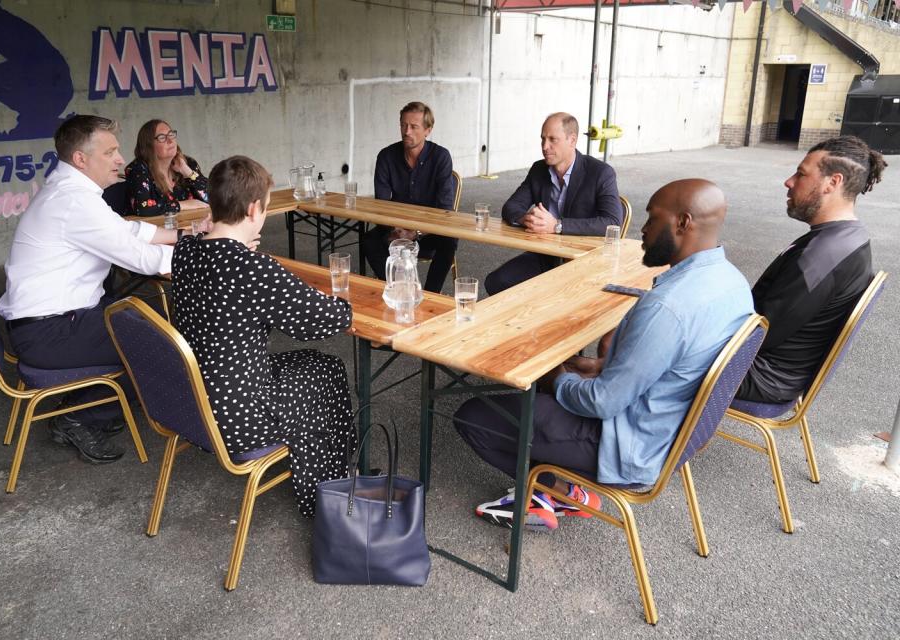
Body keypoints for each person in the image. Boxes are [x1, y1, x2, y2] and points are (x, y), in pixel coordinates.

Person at [454, 179, 753, 530]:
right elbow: (674, 365)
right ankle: (561, 488)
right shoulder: (732, 282)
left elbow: (601, 403)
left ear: (683, 223)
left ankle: (552, 493)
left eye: (652, 219)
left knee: (474, 416)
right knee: (549, 384)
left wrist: (556, 376)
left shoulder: (668, 308)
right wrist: (598, 366)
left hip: (627, 444)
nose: (641, 229)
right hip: (667, 428)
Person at [171, 155, 354, 517]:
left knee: (318, 364)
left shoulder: (186, 252)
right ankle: (329, 493)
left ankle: (329, 478)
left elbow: (211, 253)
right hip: (239, 416)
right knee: (328, 374)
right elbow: (323, 322)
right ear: (254, 208)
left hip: (192, 399)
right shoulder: (253, 268)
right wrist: (343, 301)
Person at [0, 115, 179, 464]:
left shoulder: (73, 193)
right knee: (164, 341)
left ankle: (100, 404)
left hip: (53, 323)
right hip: (50, 332)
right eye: (110, 151)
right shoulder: (73, 201)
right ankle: (79, 417)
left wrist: (184, 236)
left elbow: (126, 231)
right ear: (80, 159)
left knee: (143, 320)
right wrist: (210, 255)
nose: (121, 159)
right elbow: (142, 259)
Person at [735, 136, 887, 404]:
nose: (789, 181)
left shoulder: (822, 257)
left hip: (762, 374)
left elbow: (758, 335)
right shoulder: (849, 236)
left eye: (801, 174)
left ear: (833, 182)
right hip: (776, 368)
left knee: (656, 346)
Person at [484, 112, 623, 295]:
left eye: (552, 139)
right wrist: (529, 219)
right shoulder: (539, 169)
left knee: (556, 296)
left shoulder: (600, 173)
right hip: (546, 256)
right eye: (542, 139)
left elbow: (612, 221)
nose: (544, 146)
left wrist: (557, 226)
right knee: (496, 282)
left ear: (572, 140)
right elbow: (510, 207)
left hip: (584, 261)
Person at [361, 101, 457, 293]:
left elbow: (445, 209)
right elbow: (381, 203)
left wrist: (416, 232)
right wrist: (394, 228)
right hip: (395, 227)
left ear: (428, 130)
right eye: (404, 125)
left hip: (429, 230)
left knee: (450, 241)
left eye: (414, 127)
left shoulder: (440, 157)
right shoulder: (386, 156)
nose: (407, 131)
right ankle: (399, 288)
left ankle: (430, 295)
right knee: (368, 241)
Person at [124, 119, 209, 216]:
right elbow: (143, 208)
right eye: (162, 137)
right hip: (155, 229)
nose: (170, 140)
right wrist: (182, 205)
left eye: (171, 134)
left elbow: (214, 198)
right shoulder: (138, 169)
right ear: (149, 145)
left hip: (192, 226)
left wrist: (188, 173)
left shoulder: (188, 163)